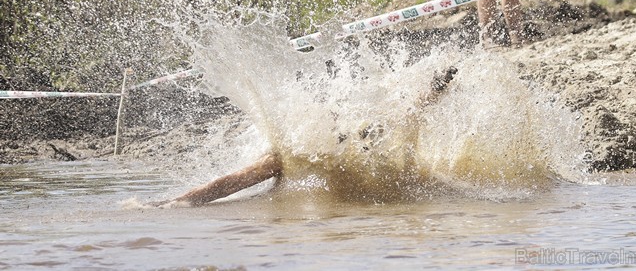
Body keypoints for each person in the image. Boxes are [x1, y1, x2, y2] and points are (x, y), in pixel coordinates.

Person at [153, 67, 458, 207]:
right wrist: (177, 202)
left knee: (385, 129)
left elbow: (400, 124)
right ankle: (428, 94)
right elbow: (233, 181)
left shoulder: (350, 135)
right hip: (300, 165)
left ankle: (429, 92)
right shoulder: (286, 157)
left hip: (346, 135)